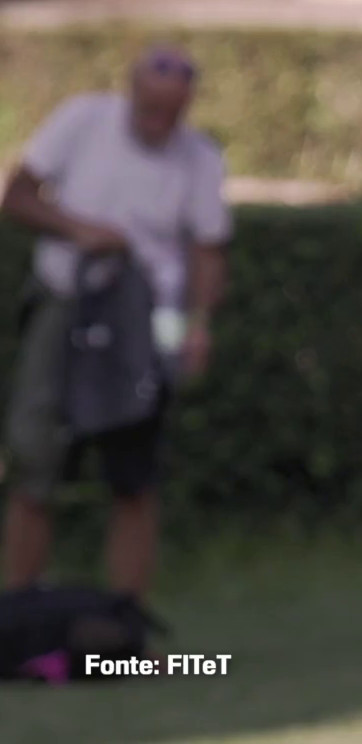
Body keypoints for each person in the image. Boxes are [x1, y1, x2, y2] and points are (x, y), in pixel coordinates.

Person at [0, 46, 229, 603]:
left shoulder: (198, 157)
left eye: (171, 113)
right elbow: (18, 195)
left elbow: (207, 250)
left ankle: (126, 627)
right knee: (36, 460)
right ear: (131, 92)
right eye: (150, 108)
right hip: (67, 303)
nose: (159, 123)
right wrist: (79, 229)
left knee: (136, 472)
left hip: (149, 318)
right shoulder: (83, 121)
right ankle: (18, 616)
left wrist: (195, 328)